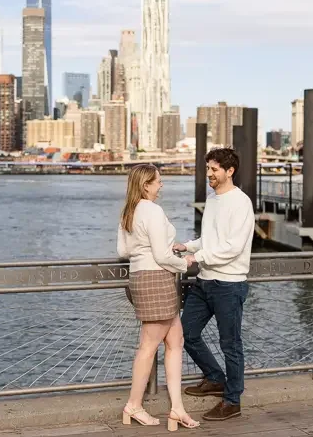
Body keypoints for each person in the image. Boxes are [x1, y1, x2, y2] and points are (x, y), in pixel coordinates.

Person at [117, 164, 200, 431]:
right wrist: (184, 263)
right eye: (158, 182)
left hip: (142, 277)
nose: (161, 185)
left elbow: (122, 251)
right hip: (157, 278)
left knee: (175, 340)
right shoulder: (152, 210)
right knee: (149, 345)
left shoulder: (129, 211)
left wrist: (144, 252)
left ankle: (176, 409)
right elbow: (163, 255)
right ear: (146, 185)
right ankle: (133, 405)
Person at [174, 147, 254, 422]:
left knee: (230, 344)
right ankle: (215, 378)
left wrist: (198, 257)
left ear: (229, 171)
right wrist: (187, 246)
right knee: (184, 334)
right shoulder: (212, 199)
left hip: (229, 284)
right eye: (207, 168)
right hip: (205, 282)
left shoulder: (241, 203)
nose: (208, 174)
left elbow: (233, 247)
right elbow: (209, 238)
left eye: (214, 169)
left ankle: (233, 401)